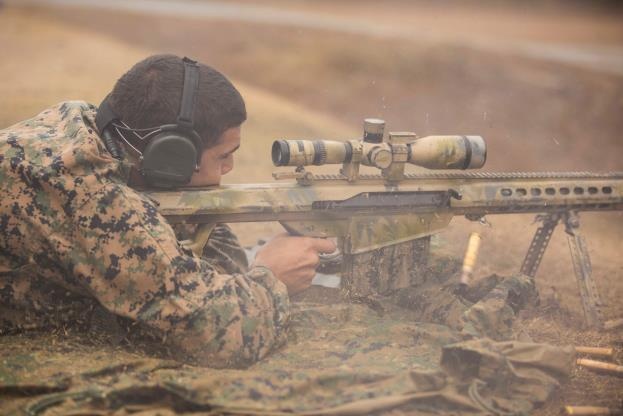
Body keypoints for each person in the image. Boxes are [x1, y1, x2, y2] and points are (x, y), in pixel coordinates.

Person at [0, 54, 335, 368]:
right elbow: (215, 335)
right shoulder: (94, 200)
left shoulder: (80, 123)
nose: (230, 167)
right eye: (223, 156)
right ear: (172, 157)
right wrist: (272, 277)